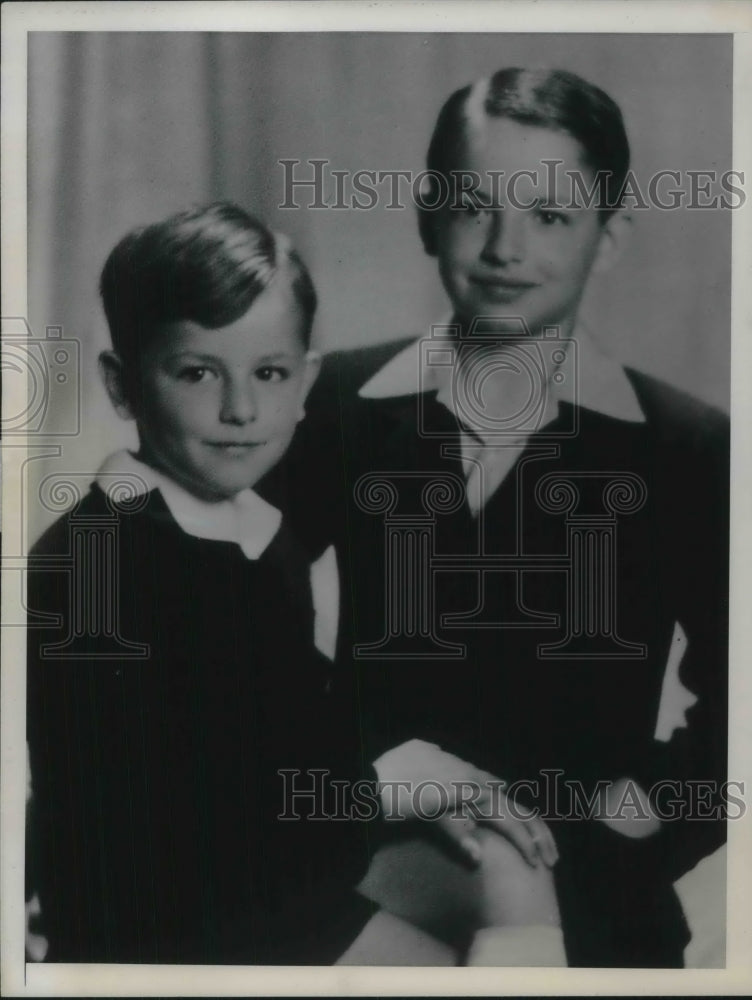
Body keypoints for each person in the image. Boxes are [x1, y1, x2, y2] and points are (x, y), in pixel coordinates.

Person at [25, 202, 562, 965]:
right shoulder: (96, 564)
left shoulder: (260, 533)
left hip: (277, 868)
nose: (242, 409)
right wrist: (376, 789)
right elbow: (175, 825)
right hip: (170, 925)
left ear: (306, 382)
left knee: (509, 863)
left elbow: (300, 730)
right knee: (434, 967)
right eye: (198, 372)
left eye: (270, 373)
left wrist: (398, 785)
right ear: (121, 386)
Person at [289, 68, 729, 967]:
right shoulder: (327, 403)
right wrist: (352, 787)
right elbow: (221, 630)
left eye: (553, 217)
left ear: (609, 239)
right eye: (473, 207)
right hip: (358, 875)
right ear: (424, 218)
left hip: (589, 893)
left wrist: (642, 812)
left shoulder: (688, 448)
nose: (503, 248)